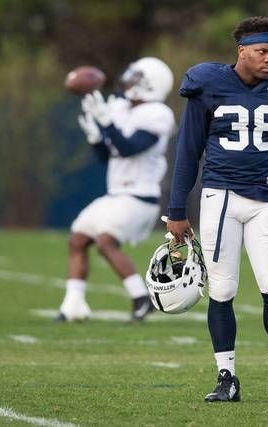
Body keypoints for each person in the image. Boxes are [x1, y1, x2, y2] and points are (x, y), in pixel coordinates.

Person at [166, 16, 268, 404]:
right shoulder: (207, 84)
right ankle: (226, 377)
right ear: (241, 51)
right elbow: (188, 153)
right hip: (220, 199)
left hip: (266, 202)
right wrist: (177, 208)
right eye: (262, 51)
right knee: (223, 290)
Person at [56, 57, 176, 323]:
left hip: (140, 196)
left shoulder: (159, 114)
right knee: (77, 239)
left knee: (105, 241)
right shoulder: (120, 107)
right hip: (116, 195)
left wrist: (107, 123)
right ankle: (72, 305)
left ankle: (141, 299)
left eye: (137, 78)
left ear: (150, 85)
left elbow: (129, 147)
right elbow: (109, 155)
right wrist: (96, 137)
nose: (129, 82)